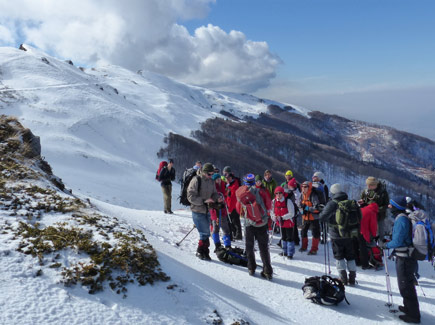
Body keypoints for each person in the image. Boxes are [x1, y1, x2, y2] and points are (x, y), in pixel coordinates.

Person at [382, 197, 420, 324]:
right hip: (407, 256)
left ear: (396, 207)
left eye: (391, 205)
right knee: (405, 284)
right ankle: (408, 308)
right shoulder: (404, 217)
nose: (389, 207)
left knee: (405, 286)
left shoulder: (401, 220)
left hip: (405, 258)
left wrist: (385, 245)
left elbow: (398, 241)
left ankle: (414, 316)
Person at [319, 183, 358, 285]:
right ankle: (352, 278)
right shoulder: (350, 202)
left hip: (336, 234)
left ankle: (343, 279)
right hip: (349, 234)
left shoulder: (332, 203)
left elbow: (322, 217)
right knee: (350, 256)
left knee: (339, 256)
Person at [236, 173, 273, 279]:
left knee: (249, 246)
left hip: (249, 224)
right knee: (263, 248)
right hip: (262, 223)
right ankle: (267, 271)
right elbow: (269, 205)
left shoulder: (242, 194)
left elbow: (239, 210)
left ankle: (251, 267)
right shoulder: (262, 192)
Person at [187, 162, 221, 260]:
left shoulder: (211, 181)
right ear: (204, 172)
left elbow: (214, 193)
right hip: (197, 209)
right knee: (204, 232)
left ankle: (204, 252)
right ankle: (200, 251)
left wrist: (217, 198)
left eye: (212, 174)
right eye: (209, 174)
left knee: (206, 232)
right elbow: (190, 196)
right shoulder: (196, 180)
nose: (211, 176)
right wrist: (203, 200)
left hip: (207, 209)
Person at [358, 176, 389, 243]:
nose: (368, 187)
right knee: (368, 228)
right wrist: (362, 203)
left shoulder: (383, 192)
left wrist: (377, 210)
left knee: (380, 228)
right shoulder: (366, 191)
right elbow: (363, 200)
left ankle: (381, 241)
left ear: (375, 185)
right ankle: (370, 240)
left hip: (379, 214)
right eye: (368, 185)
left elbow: (386, 205)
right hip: (368, 214)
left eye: (370, 185)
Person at [299, 181, 323, 255]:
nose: (303, 188)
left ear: (309, 187)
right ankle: (304, 247)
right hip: (305, 217)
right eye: (302, 186)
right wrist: (303, 212)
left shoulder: (313, 195)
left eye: (305, 187)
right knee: (303, 231)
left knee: (315, 233)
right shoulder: (302, 195)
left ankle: (314, 249)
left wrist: (306, 208)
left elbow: (317, 208)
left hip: (314, 217)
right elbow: (300, 205)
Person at [271, 186, 296, 259]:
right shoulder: (274, 201)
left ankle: (290, 253)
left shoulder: (288, 201)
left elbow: (292, 213)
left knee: (289, 238)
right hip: (280, 222)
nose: (278, 195)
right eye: (277, 193)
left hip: (288, 222)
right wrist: (274, 218)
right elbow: (272, 212)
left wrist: (282, 217)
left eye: (280, 193)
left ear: (283, 193)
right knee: (283, 237)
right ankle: (284, 251)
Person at [210, 173, 232, 251]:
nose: (218, 180)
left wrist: (227, 194)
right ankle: (217, 245)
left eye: (219, 179)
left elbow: (225, 194)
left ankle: (227, 245)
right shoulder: (212, 187)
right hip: (215, 211)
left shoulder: (223, 185)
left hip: (222, 211)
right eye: (217, 179)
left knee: (226, 228)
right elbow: (210, 199)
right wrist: (216, 201)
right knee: (216, 228)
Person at [225, 172, 243, 240]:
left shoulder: (233, 186)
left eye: (229, 178)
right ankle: (237, 235)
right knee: (234, 221)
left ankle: (235, 235)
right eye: (227, 178)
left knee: (232, 221)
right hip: (235, 207)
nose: (227, 179)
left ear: (232, 178)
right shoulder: (232, 185)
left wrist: (229, 209)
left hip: (233, 207)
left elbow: (231, 199)